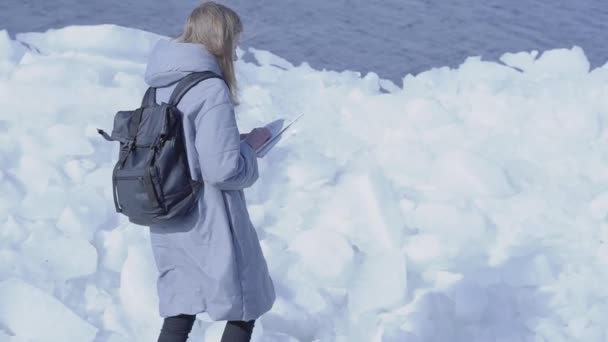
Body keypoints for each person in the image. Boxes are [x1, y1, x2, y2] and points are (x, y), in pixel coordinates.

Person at [143, 2, 276, 341]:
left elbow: (182, 145)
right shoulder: (210, 89)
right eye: (235, 41)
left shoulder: (158, 85)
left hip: (168, 213)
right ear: (222, 39)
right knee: (245, 308)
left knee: (180, 311)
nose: (236, 50)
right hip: (208, 220)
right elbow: (222, 171)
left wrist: (233, 140)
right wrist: (251, 148)